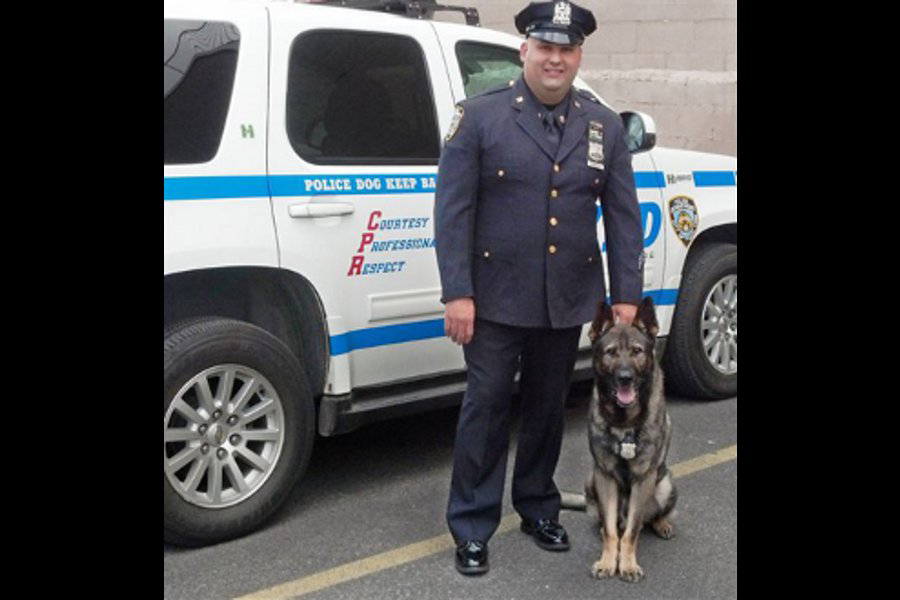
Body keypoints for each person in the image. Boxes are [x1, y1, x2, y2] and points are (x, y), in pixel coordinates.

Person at [434, 0, 645, 576]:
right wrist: (458, 291)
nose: (556, 59)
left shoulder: (601, 125)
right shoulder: (479, 117)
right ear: (524, 50)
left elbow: (623, 215)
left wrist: (626, 296)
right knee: (486, 406)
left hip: (568, 295)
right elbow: (453, 211)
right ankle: (473, 525)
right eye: (545, 47)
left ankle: (536, 506)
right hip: (494, 296)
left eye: (567, 49)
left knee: (549, 407)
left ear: (579, 56)